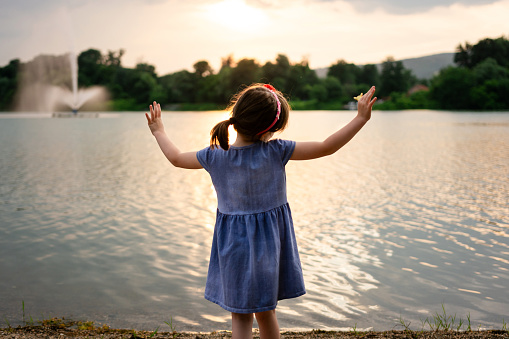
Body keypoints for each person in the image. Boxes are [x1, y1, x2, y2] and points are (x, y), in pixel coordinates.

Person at [145, 84, 377, 339]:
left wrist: (159, 131)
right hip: (269, 248)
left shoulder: (215, 155)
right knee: (266, 313)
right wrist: (360, 118)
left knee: (240, 316)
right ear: (272, 127)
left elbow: (176, 158)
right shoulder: (276, 151)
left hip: (232, 250)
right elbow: (326, 146)